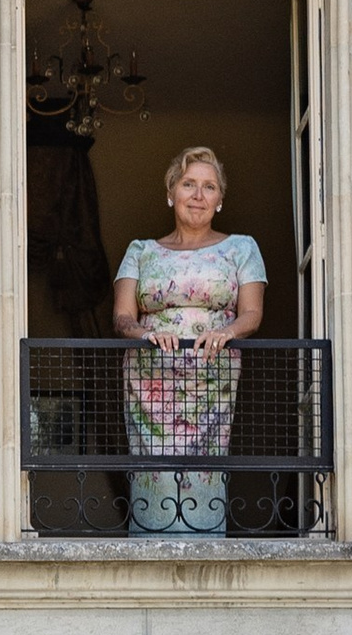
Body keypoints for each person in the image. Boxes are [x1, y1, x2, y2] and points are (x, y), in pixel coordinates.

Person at [112, 148, 265, 538]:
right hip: (151, 382)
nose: (198, 194)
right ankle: (148, 547)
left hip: (211, 379)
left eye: (209, 186)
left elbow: (251, 313)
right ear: (171, 193)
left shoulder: (242, 248)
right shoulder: (140, 251)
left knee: (204, 467)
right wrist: (145, 334)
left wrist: (227, 332)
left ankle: (205, 547)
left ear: (219, 200)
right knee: (155, 473)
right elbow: (122, 317)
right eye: (188, 184)